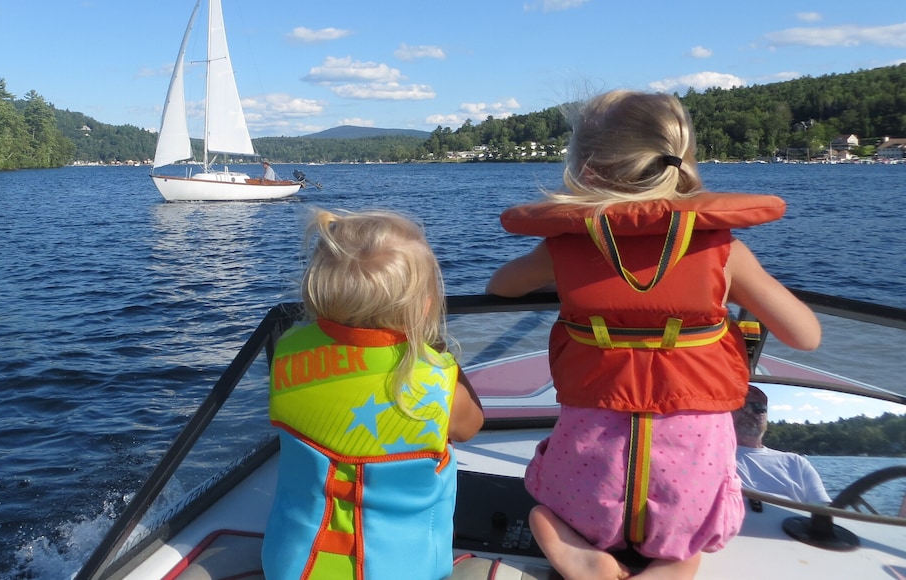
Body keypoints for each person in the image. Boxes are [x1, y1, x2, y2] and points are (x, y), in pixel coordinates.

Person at [485, 90, 821, 580]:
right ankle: (673, 563)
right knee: (691, 541)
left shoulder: (564, 247)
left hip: (589, 486)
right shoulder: (723, 250)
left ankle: (583, 552)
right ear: (682, 160)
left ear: (587, 170)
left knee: (542, 514)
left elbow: (501, 286)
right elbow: (805, 336)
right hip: (689, 487)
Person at [262, 209, 485, 580]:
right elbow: (469, 426)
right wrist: (440, 357)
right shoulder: (437, 380)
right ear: (424, 305)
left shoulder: (288, 350)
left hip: (291, 566)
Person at [733, 386, 829, 503]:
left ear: (766, 416)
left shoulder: (797, 463)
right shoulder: (714, 459)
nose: (749, 412)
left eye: (758, 407)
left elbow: (824, 509)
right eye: (741, 405)